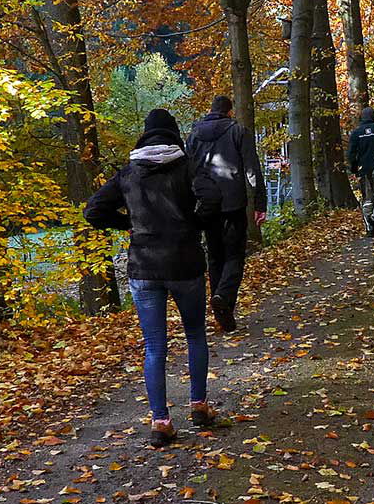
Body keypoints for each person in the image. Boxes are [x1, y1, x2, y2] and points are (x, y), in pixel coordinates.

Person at [84, 108, 222, 444]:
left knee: (155, 346)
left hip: (144, 268)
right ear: (173, 133)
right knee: (195, 335)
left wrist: (128, 225)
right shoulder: (188, 166)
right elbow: (213, 197)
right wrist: (194, 223)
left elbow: (93, 210)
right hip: (185, 264)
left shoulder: (129, 173)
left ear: (145, 135)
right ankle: (199, 406)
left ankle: (161, 422)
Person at [185, 94, 265, 333]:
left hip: (205, 204)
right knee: (235, 256)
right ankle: (223, 297)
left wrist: (191, 202)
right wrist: (260, 203)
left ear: (211, 110)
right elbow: (252, 168)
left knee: (215, 257)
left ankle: (223, 310)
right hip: (233, 204)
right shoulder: (238, 132)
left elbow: (188, 170)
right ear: (230, 111)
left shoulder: (194, 135)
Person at [346, 107, 374, 237]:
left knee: (367, 198)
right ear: (373, 116)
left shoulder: (356, 133)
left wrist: (354, 168)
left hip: (364, 169)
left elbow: (351, 154)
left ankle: (370, 226)